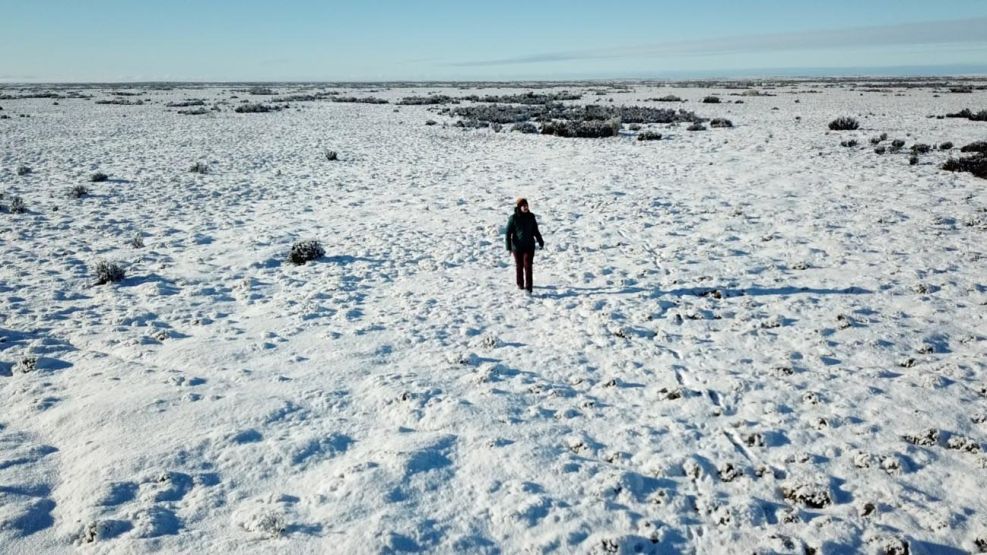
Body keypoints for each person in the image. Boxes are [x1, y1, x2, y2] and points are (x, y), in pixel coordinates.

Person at [505, 197, 544, 293]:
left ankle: (529, 287)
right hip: (517, 247)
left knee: (528, 265)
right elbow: (508, 233)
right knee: (519, 265)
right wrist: (508, 247)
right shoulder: (513, 218)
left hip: (529, 246)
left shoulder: (531, 217)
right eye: (523, 206)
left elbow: (535, 230)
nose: (525, 207)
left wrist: (540, 241)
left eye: (526, 205)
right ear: (519, 207)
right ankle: (520, 284)